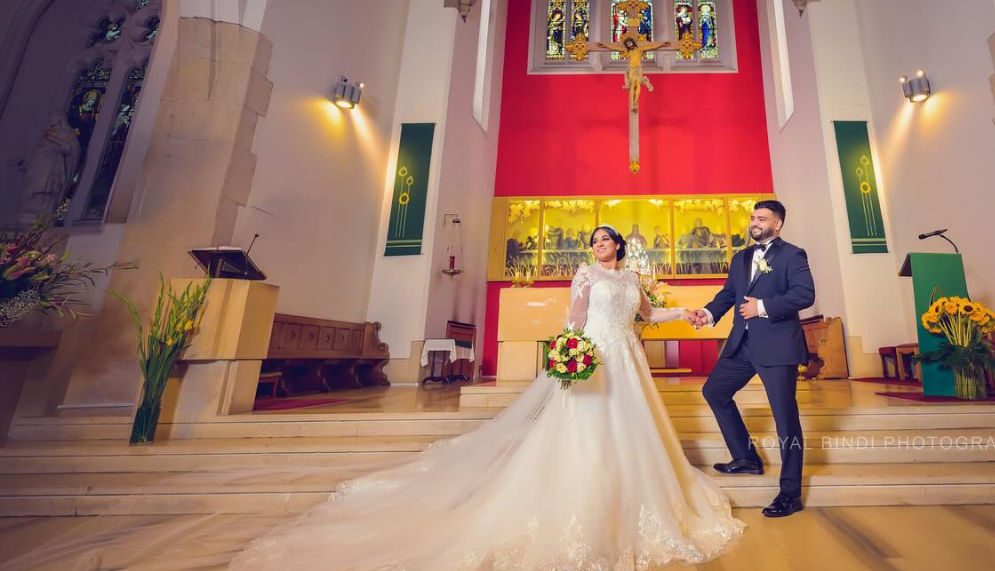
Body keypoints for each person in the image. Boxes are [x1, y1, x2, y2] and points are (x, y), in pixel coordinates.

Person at [230, 225, 744, 571]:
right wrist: (571, 350)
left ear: (620, 247)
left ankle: (634, 489)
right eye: (594, 240)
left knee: (632, 427)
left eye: (606, 239)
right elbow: (574, 317)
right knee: (586, 425)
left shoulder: (633, 278)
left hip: (627, 357)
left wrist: (689, 314)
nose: (599, 245)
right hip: (596, 353)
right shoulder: (584, 274)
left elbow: (647, 317)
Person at [692, 200, 815, 518]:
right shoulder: (741, 257)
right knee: (714, 392)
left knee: (785, 418)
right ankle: (746, 456)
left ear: (778, 224)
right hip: (742, 345)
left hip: (777, 346)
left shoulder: (792, 254)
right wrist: (707, 313)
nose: (755, 222)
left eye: (762, 218)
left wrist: (762, 307)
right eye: (752, 217)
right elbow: (729, 295)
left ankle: (790, 493)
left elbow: (805, 294)